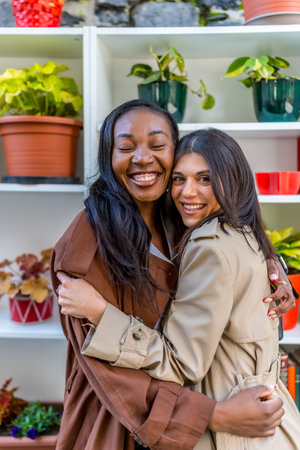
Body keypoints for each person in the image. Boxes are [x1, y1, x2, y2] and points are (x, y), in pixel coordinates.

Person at [52, 100, 293, 450]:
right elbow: (110, 374)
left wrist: (270, 265)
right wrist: (213, 415)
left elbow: (229, 235)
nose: (142, 158)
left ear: (174, 152)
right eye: (125, 147)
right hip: (121, 422)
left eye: (157, 144)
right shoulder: (87, 244)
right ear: (108, 156)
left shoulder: (177, 212)